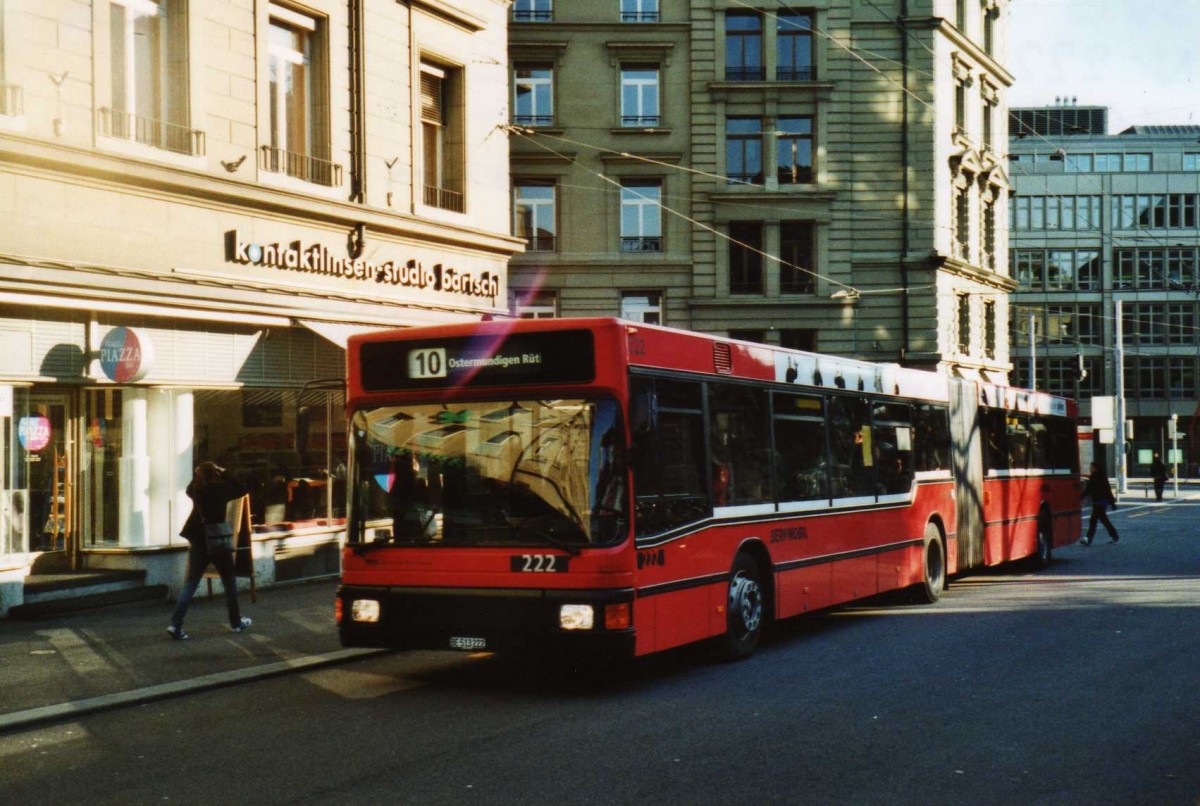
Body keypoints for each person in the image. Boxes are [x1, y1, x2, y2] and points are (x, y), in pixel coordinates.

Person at [168, 462, 252, 640]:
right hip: (218, 540)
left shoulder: (197, 491)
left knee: (191, 583)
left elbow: (189, 488)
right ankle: (236, 622)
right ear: (215, 473)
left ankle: (176, 624)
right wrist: (225, 471)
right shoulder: (221, 489)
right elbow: (242, 488)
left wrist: (199, 474)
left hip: (199, 541)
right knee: (229, 582)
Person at [1080, 462, 1120, 546]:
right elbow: (1088, 489)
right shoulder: (1095, 477)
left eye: (1092, 467)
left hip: (1101, 502)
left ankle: (1088, 538)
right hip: (1099, 501)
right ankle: (1114, 535)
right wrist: (1081, 497)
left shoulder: (1099, 477)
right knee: (1104, 520)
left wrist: (1112, 502)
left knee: (1093, 520)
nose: (1090, 469)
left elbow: (1106, 489)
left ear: (1096, 468)